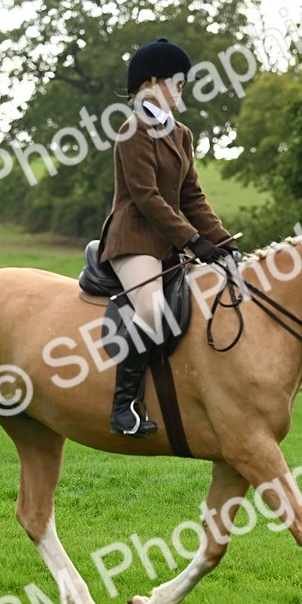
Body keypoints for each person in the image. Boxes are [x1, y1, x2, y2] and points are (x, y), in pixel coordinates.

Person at [97, 38, 239, 437]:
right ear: (151, 83)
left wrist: (223, 242)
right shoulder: (133, 129)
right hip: (134, 238)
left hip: (166, 240)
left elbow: (192, 196)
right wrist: (193, 242)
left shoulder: (180, 134)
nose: (181, 92)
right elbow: (146, 197)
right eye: (176, 83)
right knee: (152, 310)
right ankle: (123, 406)